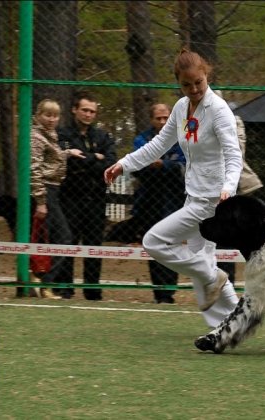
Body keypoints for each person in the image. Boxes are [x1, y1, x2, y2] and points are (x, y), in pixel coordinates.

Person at [104, 48, 243, 328]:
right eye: (186, 84)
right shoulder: (181, 107)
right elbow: (158, 145)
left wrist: (229, 187)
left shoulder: (219, 111)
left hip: (213, 200)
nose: (193, 89)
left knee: (153, 241)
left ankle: (217, 288)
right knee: (202, 261)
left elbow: (233, 154)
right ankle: (233, 322)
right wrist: (124, 163)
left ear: (207, 76)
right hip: (194, 195)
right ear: (178, 83)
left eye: (198, 83)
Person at [58, 91, 117, 300]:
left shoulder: (102, 136)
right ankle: (64, 288)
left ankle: (92, 290)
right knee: (69, 241)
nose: (88, 114)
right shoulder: (63, 134)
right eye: (84, 110)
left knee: (94, 244)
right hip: (70, 197)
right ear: (75, 110)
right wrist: (95, 158)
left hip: (96, 198)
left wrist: (86, 159)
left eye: (92, 111)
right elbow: (68, 162)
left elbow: (110, 163)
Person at [130, 103, 186, 304]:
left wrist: (163, 164)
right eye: (158, 118)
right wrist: (156, 165)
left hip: (174, 201)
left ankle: (169, 291)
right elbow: (136, 165)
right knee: (154, 246)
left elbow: (185, 166)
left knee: (173, 246)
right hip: (148, 202)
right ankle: (159, 293)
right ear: (151, 120)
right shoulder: (142, 139)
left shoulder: (181, 138)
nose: (162, 122)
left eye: (166, 118)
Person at [30, 99, 85, 298]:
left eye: (55, 116)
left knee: (50, 238)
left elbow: (49, 160)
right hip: (46, 191)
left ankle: (39, 280)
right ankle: (44, 283)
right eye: (48, 115)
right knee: (64, 237)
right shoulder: (36, 136)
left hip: (53, 190)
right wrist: (41, 201)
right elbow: (34, 169)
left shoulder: (49, 135)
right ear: (38, 115)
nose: (52, 119)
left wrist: (68, 153)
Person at [216, 108, 263, 284]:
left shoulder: (234, 122)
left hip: (233, 188)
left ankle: (231, 281)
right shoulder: (196, 121)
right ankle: (223, 281)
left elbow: (236, 154)